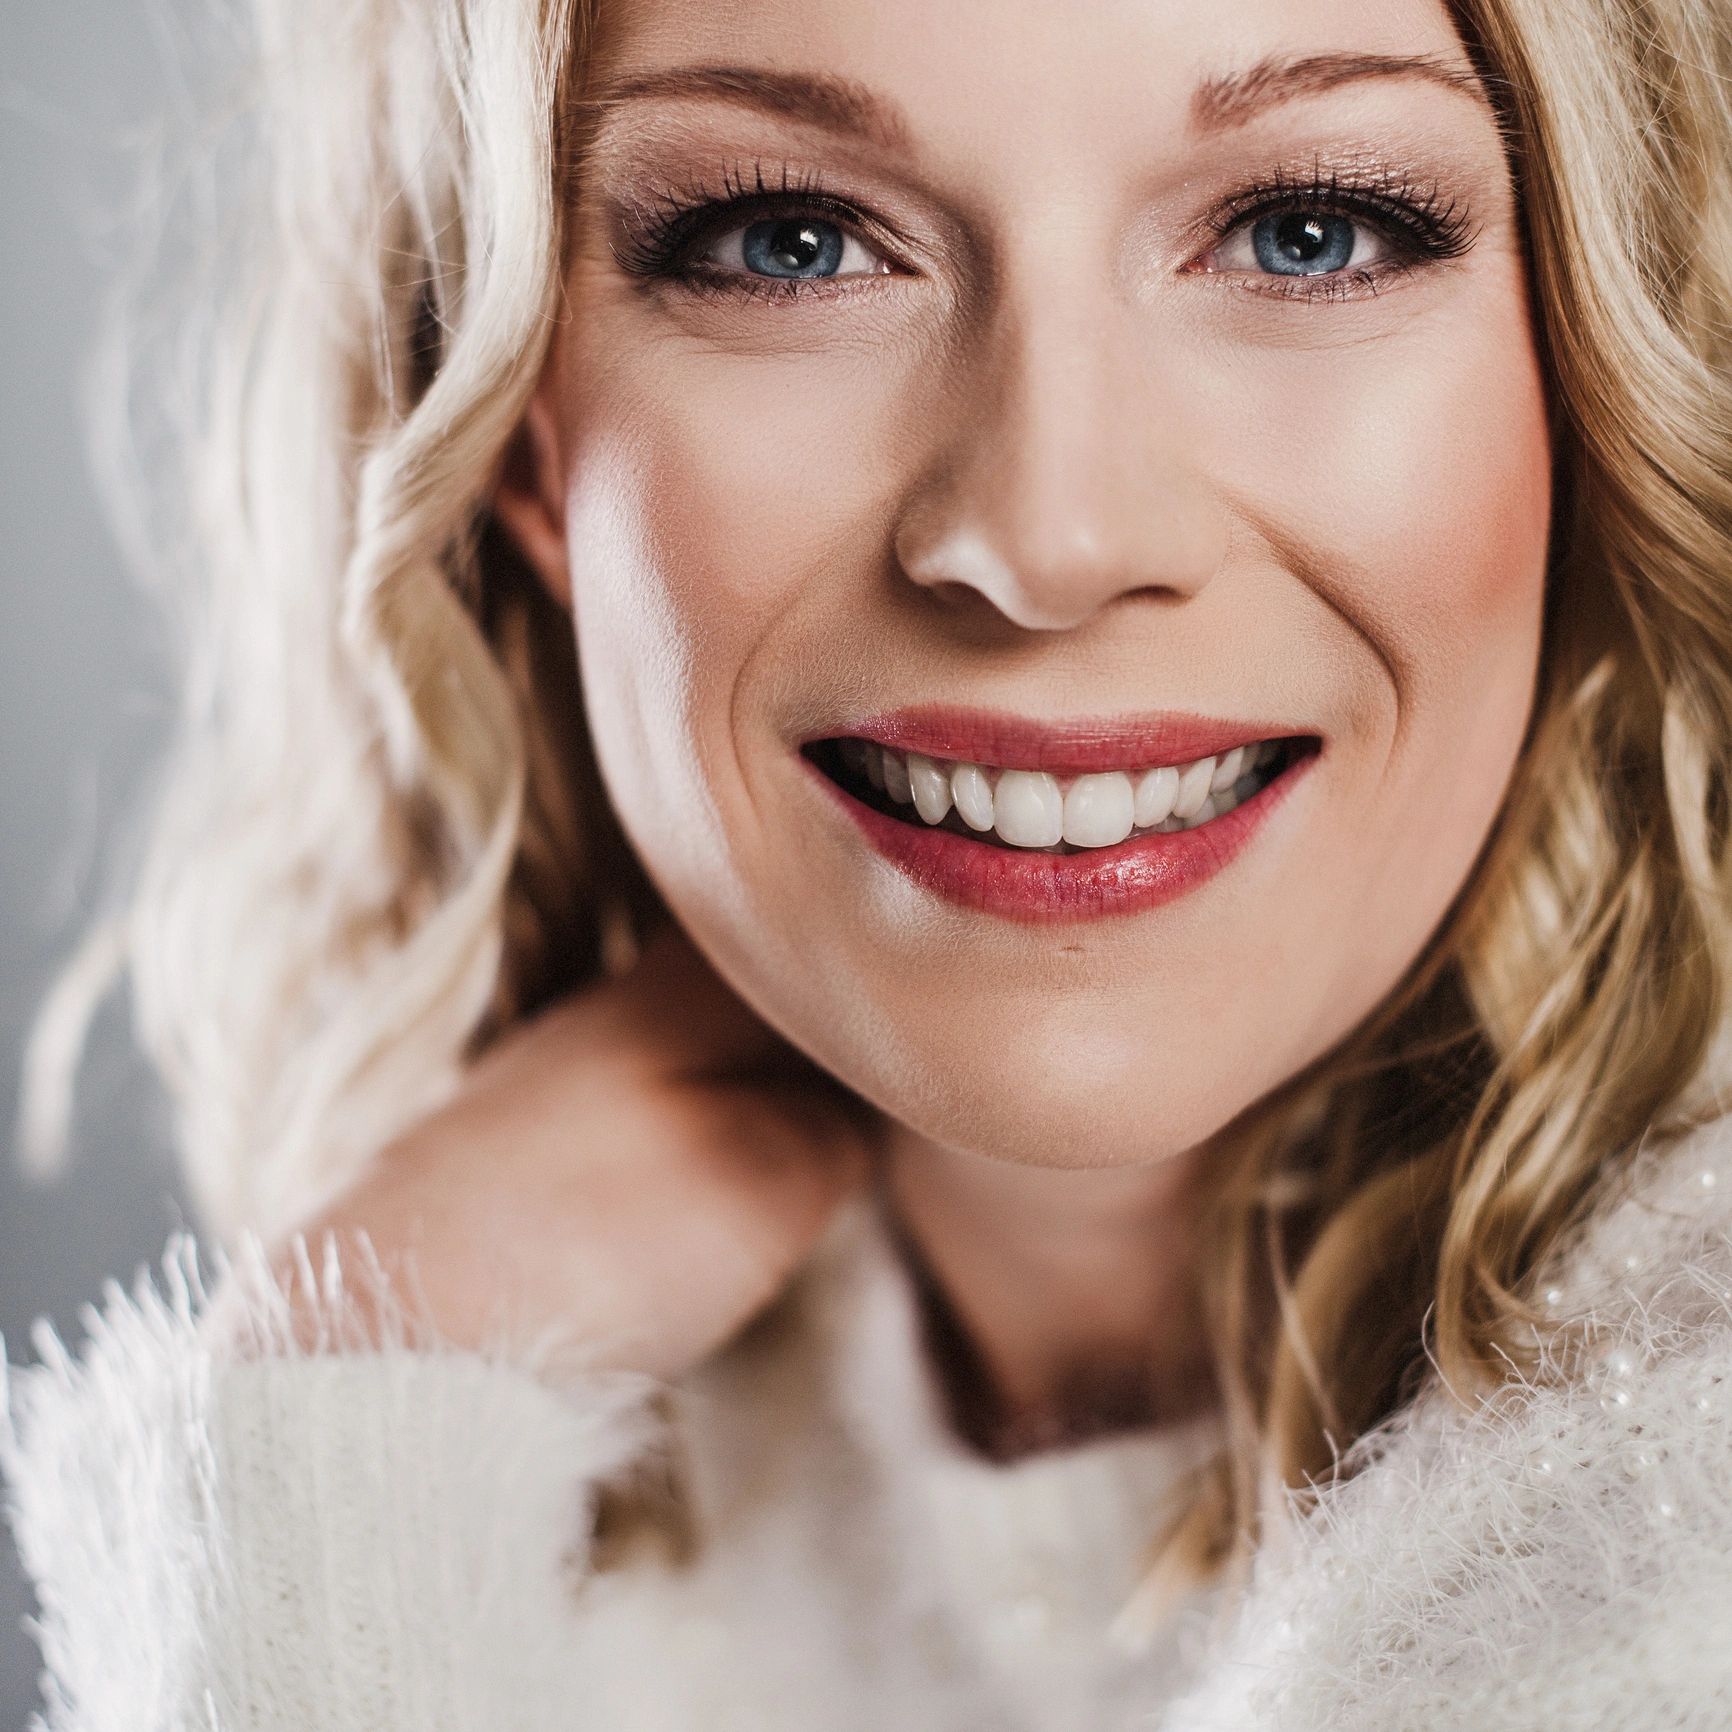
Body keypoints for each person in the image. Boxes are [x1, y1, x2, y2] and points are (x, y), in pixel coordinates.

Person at [5, 0, 1732, 1723]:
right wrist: (354, 1424)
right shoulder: (483, 1422)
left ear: (1587, 375)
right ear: (529, 440)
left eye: (1311, 229)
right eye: (791, 243)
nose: (1051, 537)